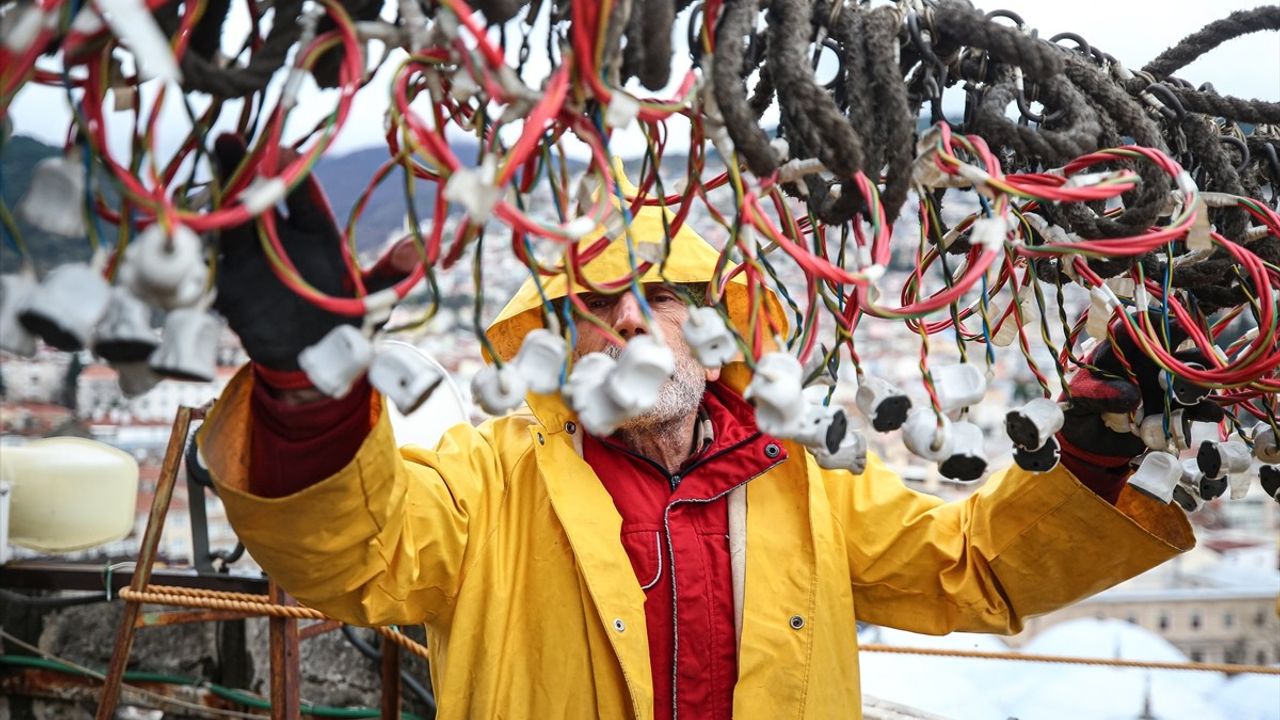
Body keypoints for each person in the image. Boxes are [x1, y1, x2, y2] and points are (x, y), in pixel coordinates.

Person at [197, 138, 1195, 720]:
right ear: (554, 340)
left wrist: (1095, 453)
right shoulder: (491, 484)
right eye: (595, 302)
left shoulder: (810, 484)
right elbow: (355, 552)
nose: (628, 318)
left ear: (712, 327)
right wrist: (308, 389)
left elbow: (975, 568)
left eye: (660, 296)